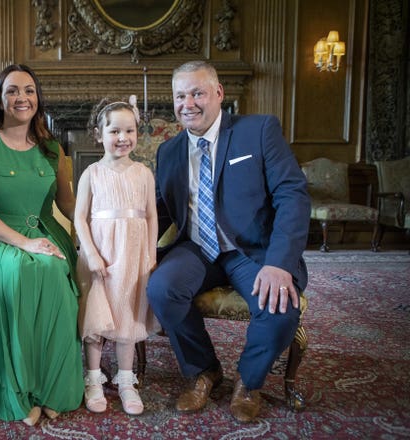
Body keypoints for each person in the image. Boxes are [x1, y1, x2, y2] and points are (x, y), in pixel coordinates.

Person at [146, 61, 311, 423]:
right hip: (197, 248)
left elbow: (292, 195)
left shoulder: (258, 130)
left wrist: (280, 263)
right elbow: (158, 212)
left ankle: (248, 383)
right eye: (180, 95)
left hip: (251, 250)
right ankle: (203, 370)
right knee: (161, 288)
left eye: (197, 93)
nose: (187, 103)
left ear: (219, 94)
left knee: (281, 307)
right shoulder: (169, 151)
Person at [0, 64, 84, 426]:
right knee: (23, 269)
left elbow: (68, 203)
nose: (21, 97)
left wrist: (93, 233)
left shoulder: (52, 149)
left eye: (28, 90)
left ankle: (52, 389)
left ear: (38, 99)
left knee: (56, 271)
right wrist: (25, 243)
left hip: (46, 233)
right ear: (0, 98)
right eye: (12, 90)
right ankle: (18, 391)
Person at [75, 99, 159, 415]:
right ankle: (93, 378)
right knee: (97, 316)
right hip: (100, 256)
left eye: (129, 130)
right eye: (114, 131)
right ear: (99, 134)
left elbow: (151, 216)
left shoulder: (144, 174)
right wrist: (92, 255)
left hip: (133, 255)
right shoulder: (91, 174)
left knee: (127, 314)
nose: (122, 137)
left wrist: (150, 255)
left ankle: (126, 379)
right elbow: (79, 218)